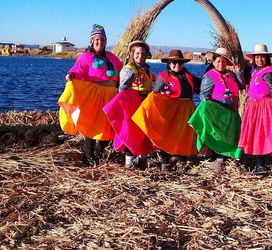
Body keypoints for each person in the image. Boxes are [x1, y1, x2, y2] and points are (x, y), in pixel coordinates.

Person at [58, 24, 123, 166]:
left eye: (102, 40)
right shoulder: (85, 57)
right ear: (92, 41)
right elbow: (78, 70)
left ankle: (99, 151)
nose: (100, 42)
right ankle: (88, 157)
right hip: (93, 96)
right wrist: (72, 75)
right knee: (92, 127)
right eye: (97, 39)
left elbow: (122, 70)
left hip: (110, 96)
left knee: (109, 126)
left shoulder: (112, 57)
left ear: (106, 42)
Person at [132, 49, 200, 171]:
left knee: (182, 136)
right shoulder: (162, 77)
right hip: (169, 113)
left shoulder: (190, 77)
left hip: (185, 112)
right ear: (168, 63)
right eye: (173, 62)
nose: (177, 65)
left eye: (180, 63)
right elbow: (155, 96)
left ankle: (180, 160)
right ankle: (165, 162)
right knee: (166, 136)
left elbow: (204, 85)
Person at [188, 47, 245, 173]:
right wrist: (208, 108)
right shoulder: (209, 76)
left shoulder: (231, 74)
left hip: (231, 111)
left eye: (224, 61)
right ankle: (217, 159)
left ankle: (225, 157)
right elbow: (204, 95)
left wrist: (238, 72)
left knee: (228, 136)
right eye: (218, 61)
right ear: (213, 62)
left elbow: (241, 86)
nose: (221, 63)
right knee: (218, 135)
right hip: (218, 112)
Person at [238, 44, 272, 173]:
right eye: (257, 57)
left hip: (262, 108)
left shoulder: (268, 72)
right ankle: (259, 163)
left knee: (259, 135)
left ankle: (261, 164)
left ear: (267, 58)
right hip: (253, 107)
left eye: (262, 57)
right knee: (255, 134)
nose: (259, 60)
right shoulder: (256, 71)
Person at [103, 41, 156, 168]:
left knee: (144, 133)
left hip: (144, 105)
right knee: (131, 133)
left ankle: (140, 159)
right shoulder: (128, 69)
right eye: (137, 53)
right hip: (132, 106)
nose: (140, 56)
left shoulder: (147, 68)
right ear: (132, 54)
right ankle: (129, 163)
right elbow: (123, 90)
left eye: (143, 53)